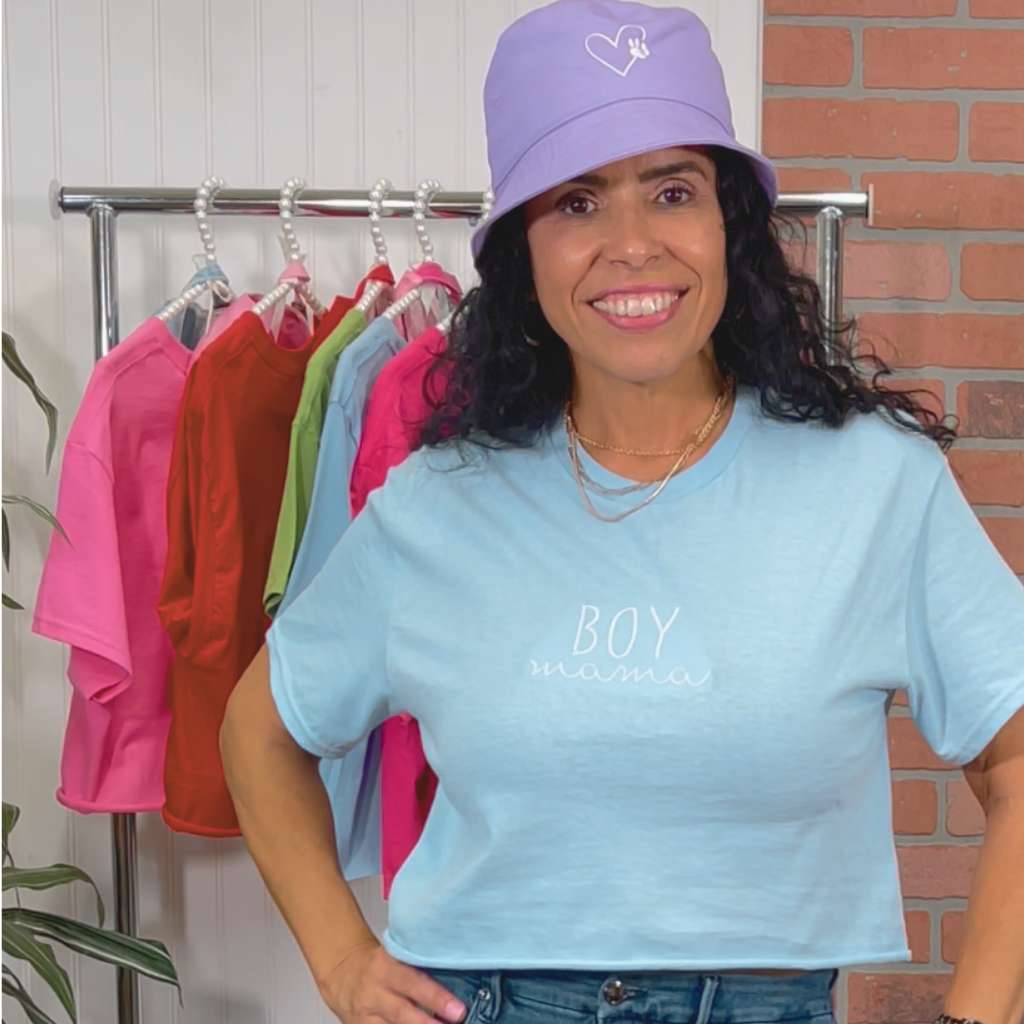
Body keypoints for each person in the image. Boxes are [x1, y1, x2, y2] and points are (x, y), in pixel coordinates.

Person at [221, 2, 1024, 1023]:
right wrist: (339, 956)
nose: (632, 245)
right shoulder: (438, 501)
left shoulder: (876, 485)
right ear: (523, 251)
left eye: (672, 191)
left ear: (728, 224)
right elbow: (259, 730)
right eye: (577, 204)